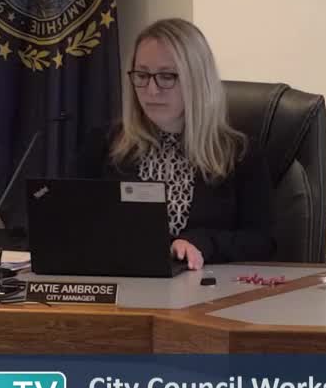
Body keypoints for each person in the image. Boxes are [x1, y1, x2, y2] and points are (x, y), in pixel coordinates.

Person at [81, 18, 274, 269]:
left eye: (166, 76)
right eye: (142, 75)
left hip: (207, 287)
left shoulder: (240, 154)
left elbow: (262, 242)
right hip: (124, 284)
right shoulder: (105, 144)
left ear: (197, 81)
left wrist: (200, 243)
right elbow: (76, 223)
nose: (151, 90)